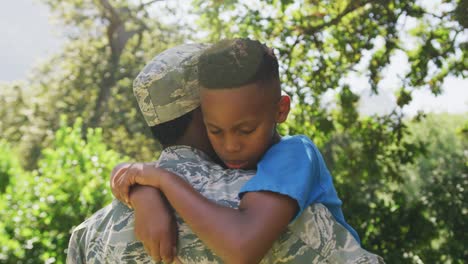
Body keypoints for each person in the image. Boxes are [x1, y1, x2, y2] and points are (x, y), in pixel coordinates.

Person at [111, 39, 384, 263]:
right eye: (215, 130)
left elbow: (242, 246)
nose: (231, 146)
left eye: (246, 130)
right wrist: (143, 193)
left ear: (281, 110)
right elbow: (126, 174)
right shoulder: (227, 166)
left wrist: (163, 181)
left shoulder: (295, 154)